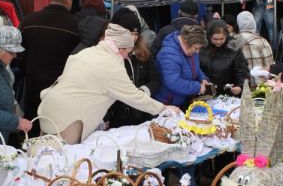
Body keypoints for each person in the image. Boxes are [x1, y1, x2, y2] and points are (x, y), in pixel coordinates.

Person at [37, 24, 180, 144]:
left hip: (47, 113)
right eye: (128, 52)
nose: (127, 57)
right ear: (121, 48)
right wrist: (163, 108)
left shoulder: (85, 52)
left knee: (43, 163)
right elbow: (135, 97)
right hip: (67, 124)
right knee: (62, 169)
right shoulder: (112, 66)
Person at [20, 0, 79, 136]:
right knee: (54, 132)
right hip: (59, 89)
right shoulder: (75, 27)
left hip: (32, 86)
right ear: (69, 0)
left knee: (31, 128)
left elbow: (19, 54)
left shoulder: (28, 21)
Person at [106, 8, 161, 127]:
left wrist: (145, 90)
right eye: (130, 33)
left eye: (136, 34)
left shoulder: (144, 53)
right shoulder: (111, 55)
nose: (133, 37)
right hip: (117, 116)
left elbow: (155, 79)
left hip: (141, 114)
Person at [154, 25, 209, 109]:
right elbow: (173, 82)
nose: (197, 52)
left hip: (181, 100)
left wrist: (202, 78)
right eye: (196, 48)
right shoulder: (169, 54)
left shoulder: (190, 50)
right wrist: (197, 87)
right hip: (167, 103)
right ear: (187, 42)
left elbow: (194, 67)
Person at [199, 20, 249, 96]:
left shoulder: (234, 48)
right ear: (209, 36)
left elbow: (241, 71)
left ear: (227, 36)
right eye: (215, 39)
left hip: (227, 93)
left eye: (222, 39)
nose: (218, 42)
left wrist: (240, 87)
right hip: (205, 92)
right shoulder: (201, 47)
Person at [236, 11, 274, 87]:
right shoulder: (262, 41)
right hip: (261, 87)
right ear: (254, 23)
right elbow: (270, 66)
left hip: (240, 87)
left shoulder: (232, 41)